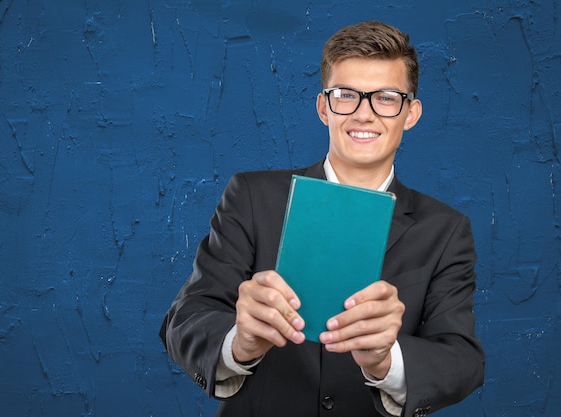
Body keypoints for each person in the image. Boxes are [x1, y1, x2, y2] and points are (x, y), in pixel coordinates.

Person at [159, 21, 485, 417]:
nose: (364, 115)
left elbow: (462, 361)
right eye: (346, 95)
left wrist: (387, 360)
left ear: (411, 113)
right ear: (323, 107)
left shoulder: (446, 231)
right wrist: (239, 342)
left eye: (385, 97)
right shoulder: (250, 196)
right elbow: (184, 320)